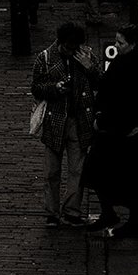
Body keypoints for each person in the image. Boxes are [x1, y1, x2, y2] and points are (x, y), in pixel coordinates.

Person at [83, 26, 138, 242]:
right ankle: (108, 213)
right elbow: (108, 90)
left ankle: (134, 222)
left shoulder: (136, 67)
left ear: (133, 45)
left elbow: (136, 100)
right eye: (116, 42)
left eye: (120, 43)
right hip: (115, 129)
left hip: (127, 133)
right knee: (97, 171)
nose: (116, 46)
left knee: (130, 179)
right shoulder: (122, 63)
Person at [31, 22, 86, 224]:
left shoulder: (84, 57)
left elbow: (99, 81)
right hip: (54, 119)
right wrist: (55, 88)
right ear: (60, 43)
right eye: (68, 48)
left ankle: (72, 210)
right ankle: (52, 212)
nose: (72, 52)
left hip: (78, 120)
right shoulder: (44, 58)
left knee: (77, 170)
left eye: (75, 48)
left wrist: (89, 68)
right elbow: (36, 87)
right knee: (51, 170)